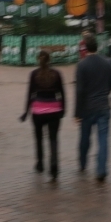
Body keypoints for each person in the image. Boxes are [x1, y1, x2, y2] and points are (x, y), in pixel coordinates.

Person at [21, 51, 66, 180]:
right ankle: (54, 166)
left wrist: (26, 112)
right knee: (53, 139)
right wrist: (63, 109)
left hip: (38, 111)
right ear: (49, 60)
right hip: (54, 110)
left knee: (39, 138)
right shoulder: (56, 74)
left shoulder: (34, 74)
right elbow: (62, 94)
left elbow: (30, 95)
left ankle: (40, 163)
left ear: (38, 60)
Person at [75, 34, 111, 182]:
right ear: (97, 46)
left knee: (85, 138)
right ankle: (101, 169)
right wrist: (104, 94)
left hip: (87, 107)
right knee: (103, 139)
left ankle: (83, 163)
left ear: (86, 48)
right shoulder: (107, 62)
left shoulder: (82, 65)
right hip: (103, 105)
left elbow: (79, 91)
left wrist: (77, 113)